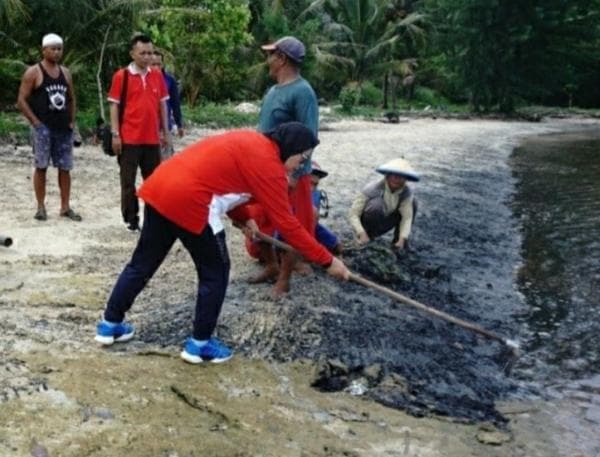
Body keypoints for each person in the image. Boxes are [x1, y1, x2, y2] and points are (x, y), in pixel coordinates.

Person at [94, 122, 350, 364]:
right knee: (215, 272)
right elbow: (288, 224)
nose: (299, 165)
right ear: (290, 148)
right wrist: (328, 261)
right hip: (192, 200)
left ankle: (110, 324)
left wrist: (245, 218)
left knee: (142, 263)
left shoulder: (251, 141)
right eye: (301, 158)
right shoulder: (270, 166)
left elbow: (224, 179)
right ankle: (200, 344)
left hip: (162, 187)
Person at [252, 36, 320, 296]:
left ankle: (284, 279)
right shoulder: (272, 91)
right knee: (262, 220)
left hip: (291, 174)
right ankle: (270, 265)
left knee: (293, 226)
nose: (267, 60)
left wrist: (294, 172)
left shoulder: (303, 92)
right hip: (266, 170)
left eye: (271, 55)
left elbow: (309, 138)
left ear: (281, 59)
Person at [108, 33, 170, 232]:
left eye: (150, 53)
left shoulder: (157, 75)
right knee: (128, 182)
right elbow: (114, 106)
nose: (147, 57)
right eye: (142, 53)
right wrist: (116, 134)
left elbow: (163, 105)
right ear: (132, 53)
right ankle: (131, 219)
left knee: (154, 182)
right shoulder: (122, 76)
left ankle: (153, 220)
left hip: (151, 138)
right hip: (129, 138)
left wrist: (166, 132)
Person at [16, 33, 81, 222]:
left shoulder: (65, 73)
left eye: (59, 48)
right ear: (43, 50)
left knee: (65, 168)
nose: (57, 52)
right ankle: (41, 207)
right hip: (43, 127)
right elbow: (21, 100)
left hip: (63, 128)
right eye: (52, 48)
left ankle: (65, 207)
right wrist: (35, 122)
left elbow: (71, 98)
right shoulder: (34, 72)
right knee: (41, 166)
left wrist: (71, 121)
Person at [349, 158, 419, 250]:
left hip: (387, 220)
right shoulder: (371, 189)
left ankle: (398, 243)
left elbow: (407, 218)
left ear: (406, 179)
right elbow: (353, 214)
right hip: (366, 224)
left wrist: (403, 238)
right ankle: (366, 237)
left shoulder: (407, 193)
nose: (397, 179)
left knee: (413, 203)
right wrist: (361, 232)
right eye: (394, 175)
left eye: (401, 176)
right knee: (376, 205)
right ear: (387, 175)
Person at [151, 50, 184, 159]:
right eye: (153, 64)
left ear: (162, 64)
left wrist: (179, 124)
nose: (156, 67)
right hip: (147, 129)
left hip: (165, 127)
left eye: (158, 64)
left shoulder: (169, 80)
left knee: (166, 161)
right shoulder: (143, 80)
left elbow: (175, 104)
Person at [310, 162, 343, 255]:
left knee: (338, 246)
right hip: (293, 229)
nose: (312, 188)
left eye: (315, 184)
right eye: (309, 183)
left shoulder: (318, 194)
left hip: (312, 227)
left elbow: (316, 220)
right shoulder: (290, 192)